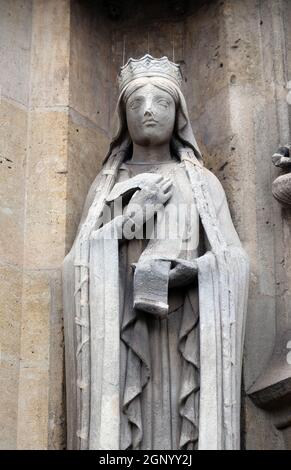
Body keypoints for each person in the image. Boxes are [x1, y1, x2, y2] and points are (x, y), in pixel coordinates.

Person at [63, 55, 249, 450]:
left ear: (177, 114)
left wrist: (197, 270)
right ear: (124, 118)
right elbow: (75, 267)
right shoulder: (106, 185)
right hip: (123, 330)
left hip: (185, 330)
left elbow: (234, 259)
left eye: (161, 102)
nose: (148, 110)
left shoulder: (200, 183)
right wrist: (129, 222)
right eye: (136, 104)